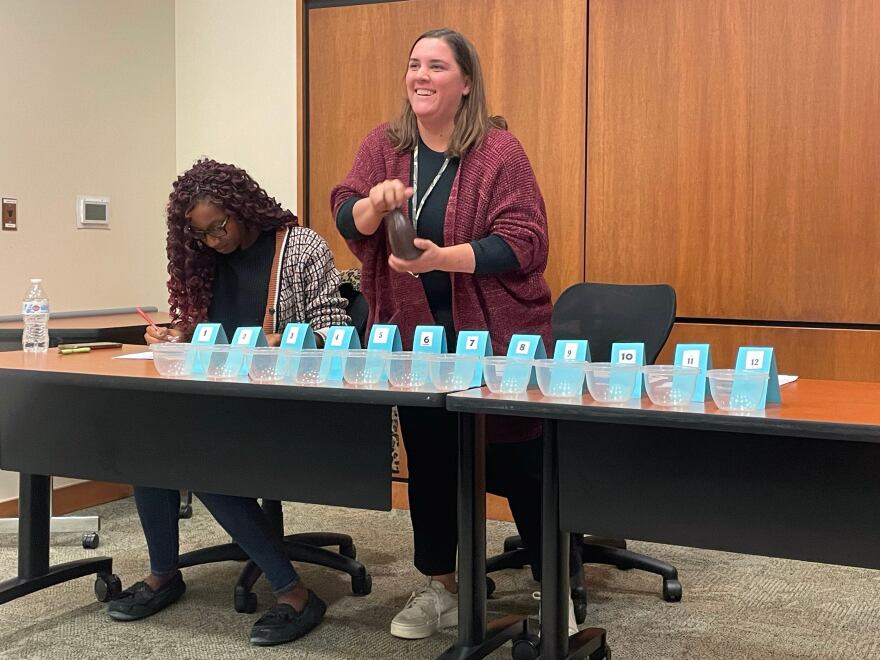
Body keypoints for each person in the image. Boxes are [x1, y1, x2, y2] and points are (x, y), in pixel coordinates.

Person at [332, 28, 576, 640]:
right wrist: (372, 205)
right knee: (432, 461)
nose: (421, 75)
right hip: (415, 339)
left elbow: (524, 241)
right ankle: (441, 586)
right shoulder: (385, 146)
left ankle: (555, 586)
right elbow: (346, 213)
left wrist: (445, 258)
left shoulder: (498, 151)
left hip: (497, 337)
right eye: (414, 64)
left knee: (520, 461)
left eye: (436, 66)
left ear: (465, 82)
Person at [107, 158, 349, 646]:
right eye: (201, 234)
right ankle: (163, 574)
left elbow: (339, 333)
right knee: (144, 442)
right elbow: (209, 334)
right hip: (221, 398)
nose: (213, 240)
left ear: (243, 208)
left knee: (200, 455)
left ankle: (294, 592)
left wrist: (287, 341)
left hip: (288, 401)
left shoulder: (300, 247)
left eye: (219, 227)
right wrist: (178, 335)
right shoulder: (205, 259)